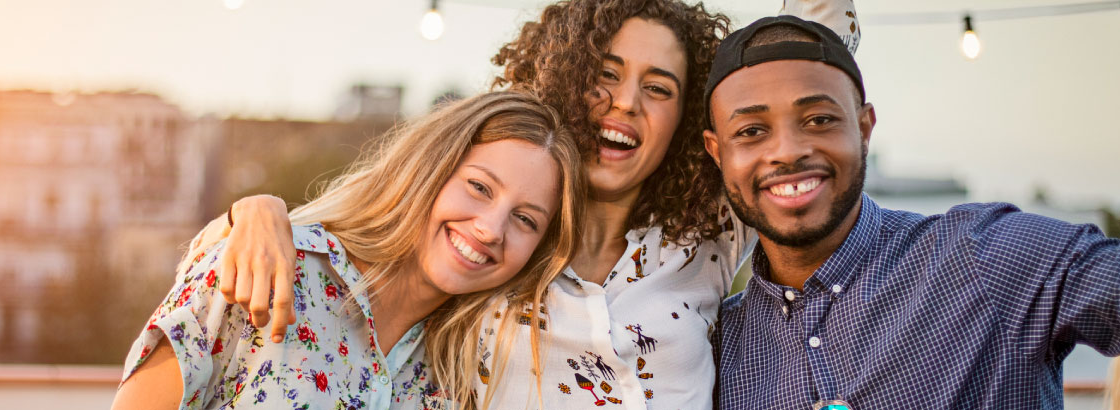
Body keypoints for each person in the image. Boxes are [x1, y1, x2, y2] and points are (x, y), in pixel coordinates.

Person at [187, 0, 859, 407]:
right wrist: (259, 211)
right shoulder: (493, 245)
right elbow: (367, 245)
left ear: (685, 124)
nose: (626, 102)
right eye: (605, 75)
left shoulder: (707, 234)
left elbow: (810, 49)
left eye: (658, 88)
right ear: (567, 81)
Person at [702, 15, 1120, 409]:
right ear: (717, 152)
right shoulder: (713, 352)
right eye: (751, 131)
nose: (788, 151)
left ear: (864, 129)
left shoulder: (981, 258)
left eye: (819, 119)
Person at [110, 91, 586, 409]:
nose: (490, 229)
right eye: (480, 187)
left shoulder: (465, 372)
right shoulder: (267, 265)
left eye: (526, 219)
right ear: (430, 171)